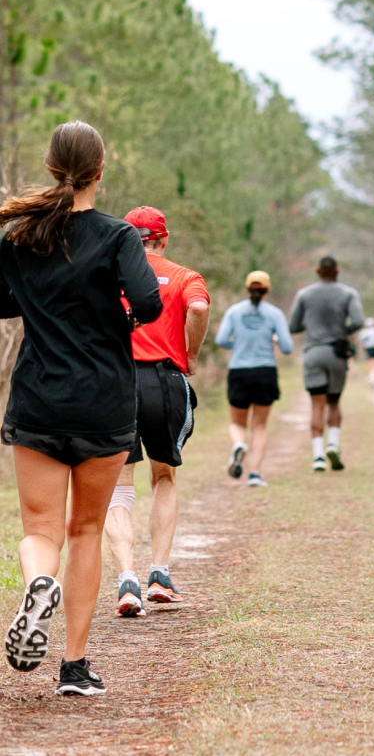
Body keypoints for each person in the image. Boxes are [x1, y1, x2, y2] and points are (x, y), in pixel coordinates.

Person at [0, 122, 162, 695]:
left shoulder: (19, 239)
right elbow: (148, 302)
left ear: (51, 169)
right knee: (87, 529)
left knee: (40, 528)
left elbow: (1, 304)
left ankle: (40, 582)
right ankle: (73, 667)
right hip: (104, 403)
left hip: (39, 400)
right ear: (100, 170)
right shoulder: (119, 237)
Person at [103, 206, 210, 618]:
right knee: (163, 476)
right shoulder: (185, 276)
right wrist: (192, 356)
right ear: (163, 239)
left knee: (118, 483)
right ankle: (159, 576)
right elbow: (198, 310)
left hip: (117, 381)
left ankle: (127, 581)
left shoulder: (109, 274)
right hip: (165, 380)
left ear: (128, 239)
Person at [215, 270, 293, 487]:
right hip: (265, 372)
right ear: (267, 291)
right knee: (259, 426)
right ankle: (255, 474)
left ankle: (239, 444)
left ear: (248, 289)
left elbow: (221, 340)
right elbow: (287, 347)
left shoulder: (234, 311)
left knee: (237, 422)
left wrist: (238, 344)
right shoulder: (275, 314)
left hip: (239, 371)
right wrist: (272, 341)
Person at [289, 256, 364, 472]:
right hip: (337, 353)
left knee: (317, 404)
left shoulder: (304, 294)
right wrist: (343, 330)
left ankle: (318, 456)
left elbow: (293, 326)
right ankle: (333, 443)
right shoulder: (349, 293)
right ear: (337, 271)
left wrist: (312, 325)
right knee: (333, 402)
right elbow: (358, 321)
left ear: (317, 271)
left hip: (313, 352)